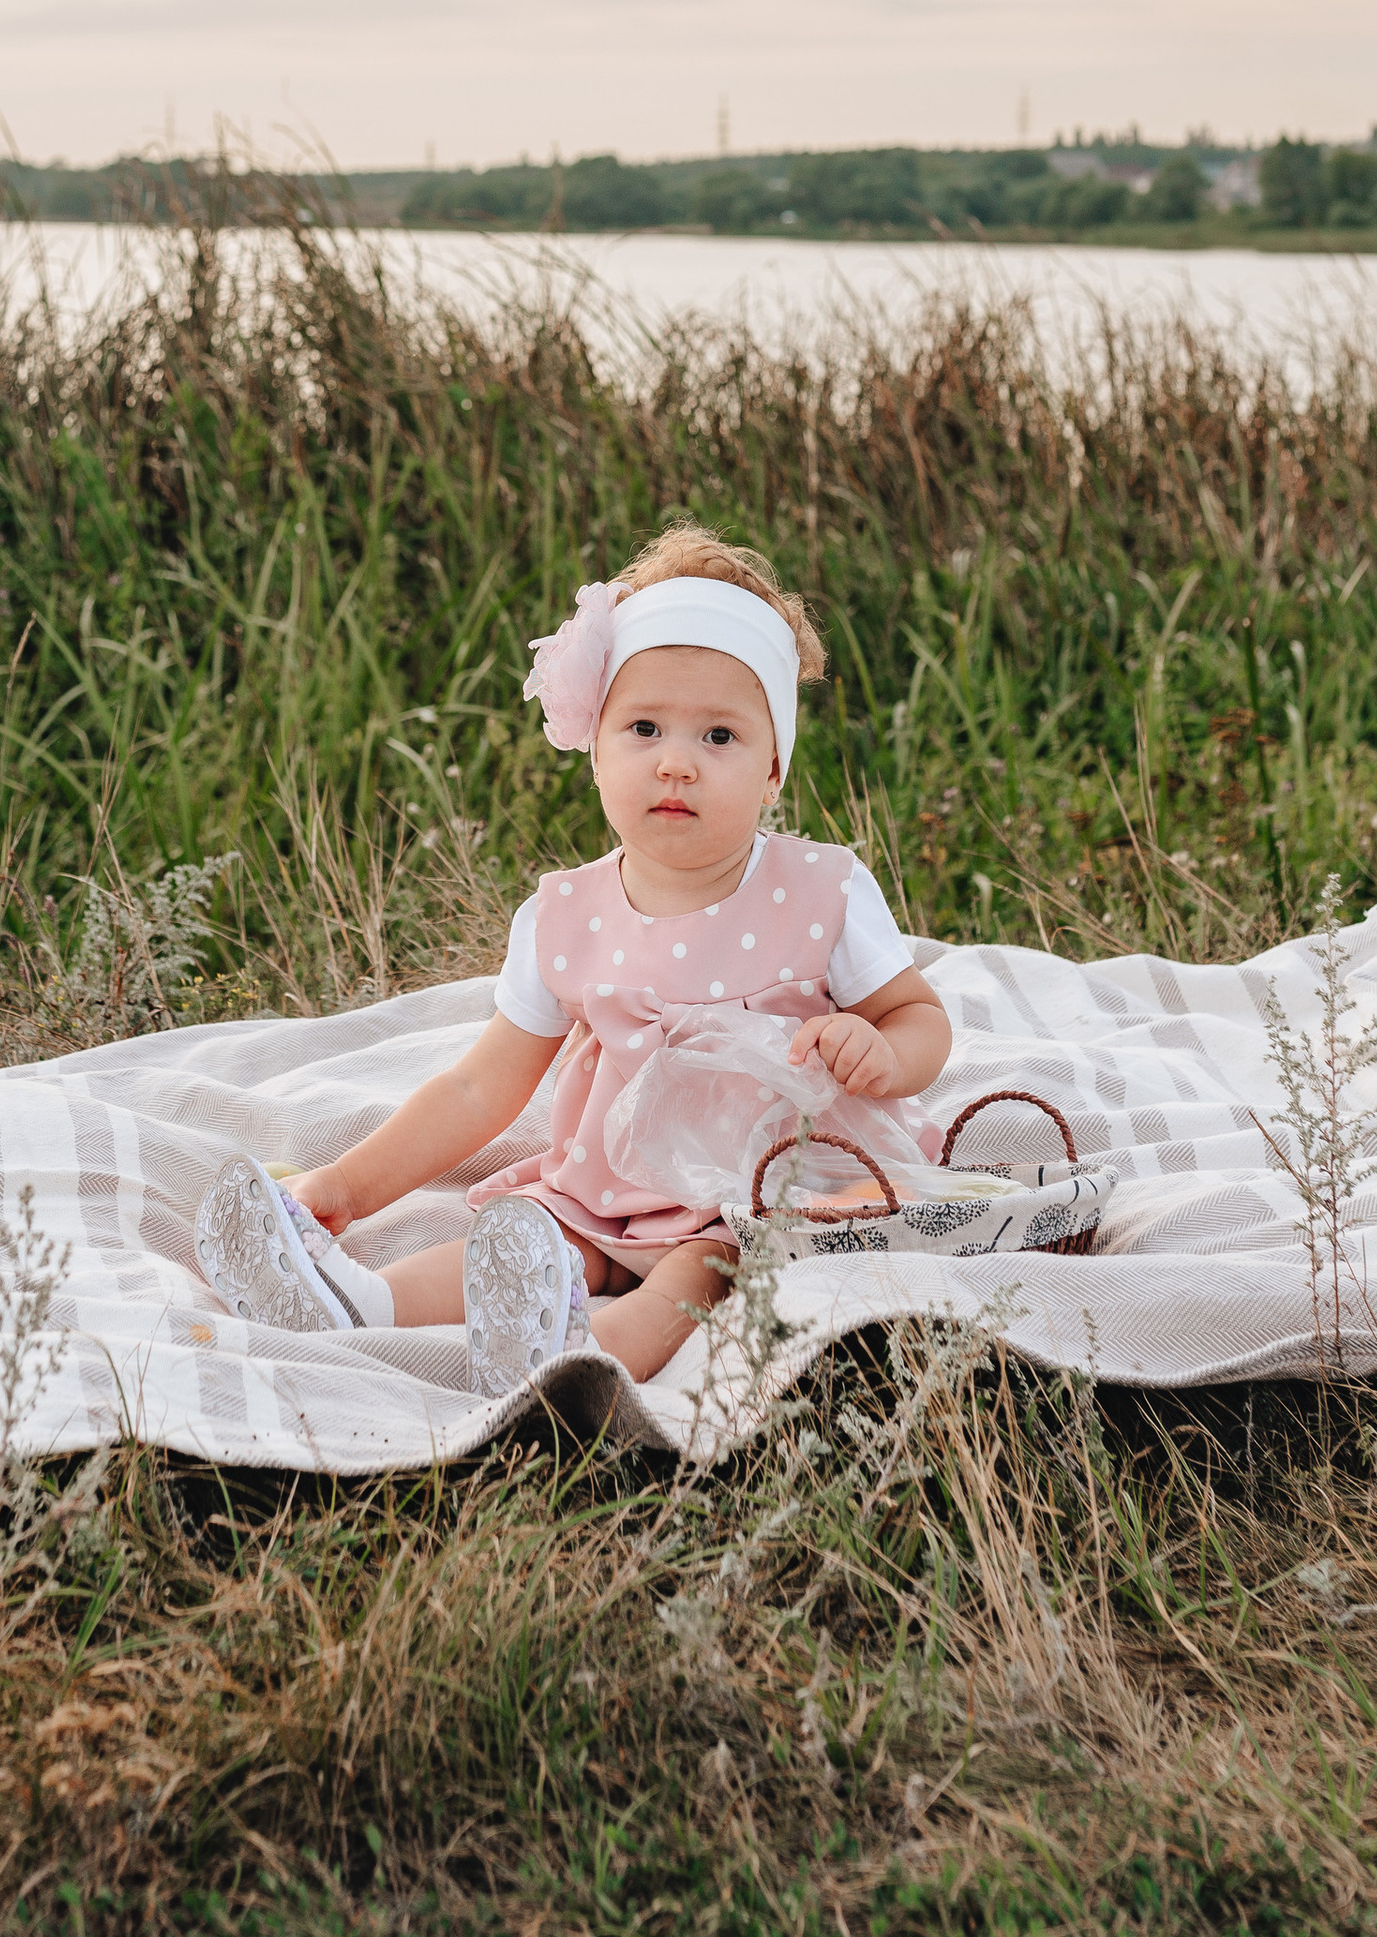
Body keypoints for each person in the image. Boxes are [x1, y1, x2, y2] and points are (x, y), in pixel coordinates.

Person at [192, 523, 952, 1394]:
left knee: (698, 1272)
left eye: (719, 738)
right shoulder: (565, 914)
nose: (676, 764)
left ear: (774, 768)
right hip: (606, 1186)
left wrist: (886, 1055)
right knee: (530, 1231)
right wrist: (346, 1189)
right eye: (644, 728)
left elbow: (919, 1018)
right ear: (595, 751)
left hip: (748, 1187)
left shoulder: (821, 893)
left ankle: (578, 1356)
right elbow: (480, 1088)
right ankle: (357, 1303)